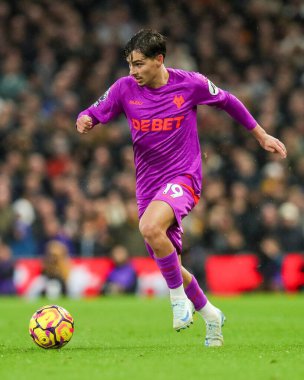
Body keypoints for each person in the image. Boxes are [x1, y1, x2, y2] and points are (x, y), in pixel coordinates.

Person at [76, 29, 287, 347]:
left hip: (183, 177)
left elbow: (228, 101)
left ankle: (177, 301)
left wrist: (261, 135)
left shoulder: (191, 84)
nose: (133, 71)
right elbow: (94, 110)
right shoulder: (124, 88)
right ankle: (211, 314)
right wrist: (84, 119)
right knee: (166, 255)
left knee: (148, 227)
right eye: (130, 65)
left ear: (159, 59)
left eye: (139, 64)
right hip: (148, 184)